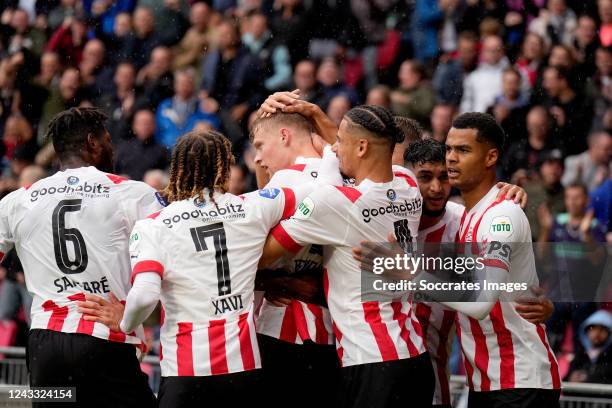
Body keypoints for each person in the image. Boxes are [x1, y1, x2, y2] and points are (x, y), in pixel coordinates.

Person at [78, 130, 311, 407]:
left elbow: (144, 296)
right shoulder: (254, 207)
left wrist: (126, 323)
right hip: (242, 370)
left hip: (185, 373)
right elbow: (315, 191)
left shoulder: (155, 225)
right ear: (224, 168)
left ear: (177, 170)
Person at [258, 105, 434, 408]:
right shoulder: (407, 184)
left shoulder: (336, 202)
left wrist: (276, 279)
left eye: (339, 141)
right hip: (415, 357)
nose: (333, 149)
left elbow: (261, 254)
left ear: (362, 146)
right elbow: (367, 160)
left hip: (372, 362)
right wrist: (318, 116)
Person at [0, 107, 160, 407]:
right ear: (92, 142)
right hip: (103, 337)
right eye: (108, 140)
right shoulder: (132, 193)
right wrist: (132, 314)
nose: (112, 147)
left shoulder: (18, 200)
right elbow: (176, 253)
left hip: (44, 347)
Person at [444, 112, 561, 406]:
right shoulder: (464, 215)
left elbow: (482, 302)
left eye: (463, 150)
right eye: (448, 149)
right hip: (487, 381)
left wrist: (409, 274)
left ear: (490, 157)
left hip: (519, 381)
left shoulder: (502, 216)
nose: (451, 158)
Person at [565, 309, 612, 383]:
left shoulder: (609, 356)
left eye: (603, 330)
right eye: (593, 329)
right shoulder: (581, 354)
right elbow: (565, 381)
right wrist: (571, 378)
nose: (597, 334)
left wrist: (587, 379)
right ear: (586, 331)